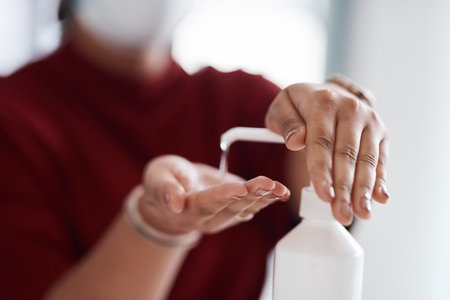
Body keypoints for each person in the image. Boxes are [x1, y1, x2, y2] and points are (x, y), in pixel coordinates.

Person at [0, 0, 389, 299]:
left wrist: (335, 112)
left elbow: (320, 192)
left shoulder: (240, 104)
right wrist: (155, 227)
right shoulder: (14, 117)